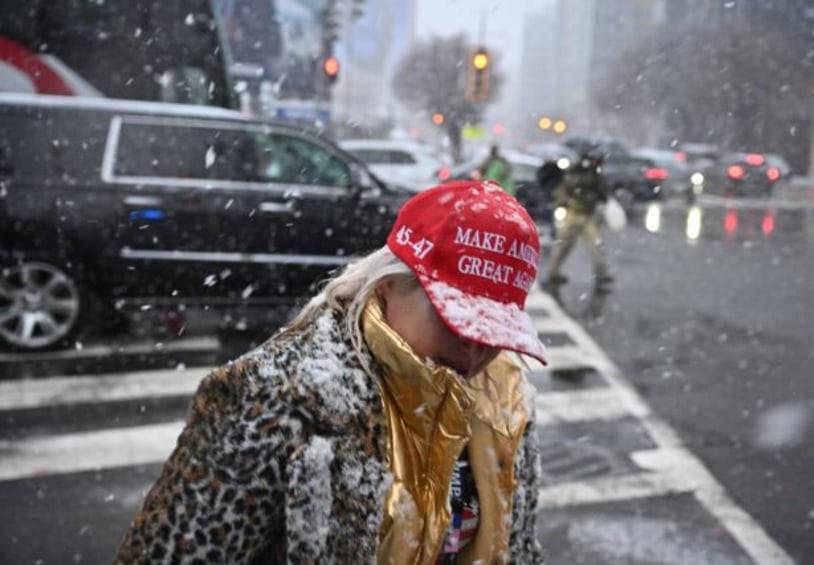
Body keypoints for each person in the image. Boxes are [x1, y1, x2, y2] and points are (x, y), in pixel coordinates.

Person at [115, 180, 547, 564]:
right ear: (389, 284)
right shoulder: (275, 396)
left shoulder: (504, 400)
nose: (476, 352)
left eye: (495, 332)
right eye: (457, 323)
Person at [542, 150, 613, 294]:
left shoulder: (595, 175)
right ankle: (553, 273)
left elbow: (602, 193)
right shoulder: (576, 171)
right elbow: (567, 187)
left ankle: (602, 274)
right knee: (563, 246)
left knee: (596, 246)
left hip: (587, 215)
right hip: (573, 213)